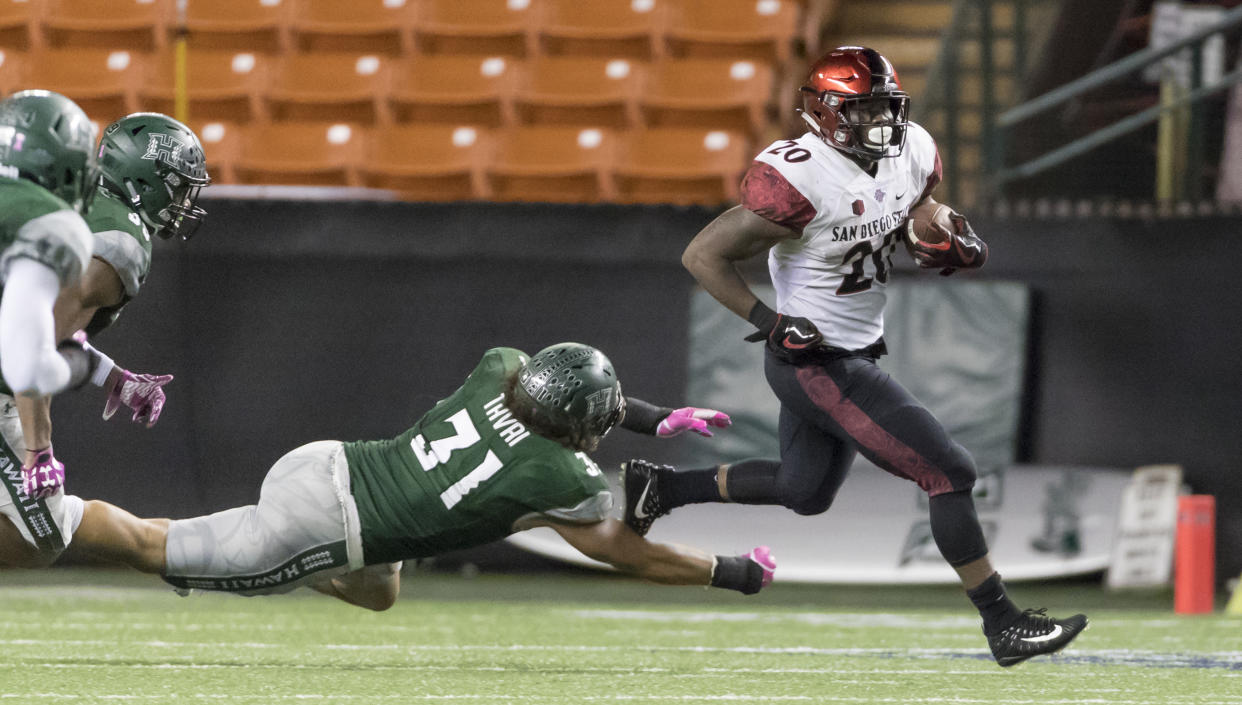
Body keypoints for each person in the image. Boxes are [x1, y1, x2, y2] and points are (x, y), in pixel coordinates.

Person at [621, 46, 1086, 668]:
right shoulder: (800, 176)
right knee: (949, 471)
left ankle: (664, 487)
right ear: (827, 112)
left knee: (804, 490)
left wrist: (946, 231)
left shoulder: (911, 149)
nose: (883, 124)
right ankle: (1003, 623)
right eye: (865, 110)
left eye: (887, 108)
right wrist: (770, 319)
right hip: (816, 362)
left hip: (852, 351)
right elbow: (702, 254)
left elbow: (919, 208)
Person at [51, 343, 774, 609]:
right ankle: (47, 512)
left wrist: (653, 417)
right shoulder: (557, 475)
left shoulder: (500, 368)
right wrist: (732, 570)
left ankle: (307, 564)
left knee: (379, 589)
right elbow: (633, 553)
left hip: (329, 459)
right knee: (153, 543)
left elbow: (554, 387)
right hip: (324, 521)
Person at [0, 110, 209, 567]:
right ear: (145, 179)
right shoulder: (122, 242)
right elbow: (29, 344)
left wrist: (113, 378)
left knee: (43, 531)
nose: (182, 201)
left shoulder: (77, 205)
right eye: (176, 186)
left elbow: (43, 326)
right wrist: (40, 447)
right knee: (38, 533)